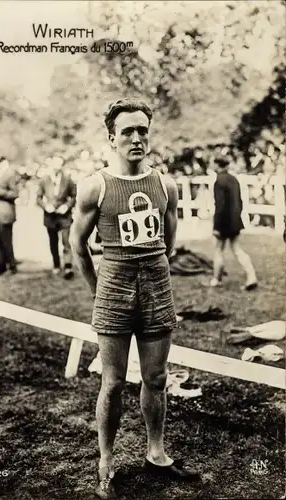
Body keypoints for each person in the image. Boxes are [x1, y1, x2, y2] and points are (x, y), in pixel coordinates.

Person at [72, 98, 200, 499]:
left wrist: (153, 271)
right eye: (127, 130)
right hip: (113, 287)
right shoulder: (96, 186)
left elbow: (169, 244)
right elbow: (77, 245)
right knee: (112, 382)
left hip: (157, 287)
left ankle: (156, 452)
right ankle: (106, 461)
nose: (136, 138)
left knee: (157, 377)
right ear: (112, 137)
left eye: (143, 130)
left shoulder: (166, 185)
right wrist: (98, 291)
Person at [210, 157, 257, 290]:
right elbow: (240, 202)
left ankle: (216, 279)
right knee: (237, 249)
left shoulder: (219, 181)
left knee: (218, 249)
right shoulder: (234, 179)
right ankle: (251, 276)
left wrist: (216, 225)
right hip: (235, 220)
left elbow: (219, 205)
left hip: (223, 222)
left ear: (217, 165)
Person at [36, 155, 77, 279]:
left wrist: (67, 206)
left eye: (59, 164)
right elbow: (38, 198)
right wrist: (46, 206)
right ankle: (56, 264)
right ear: (51, 164)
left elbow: (75, 196)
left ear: (62, 165)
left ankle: (68, 266)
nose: (56, 166)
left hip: (64, 216)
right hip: (50, 216)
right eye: (54, 163)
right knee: (53, 242)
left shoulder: (68, 179)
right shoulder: (44, 180)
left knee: (66, 241)